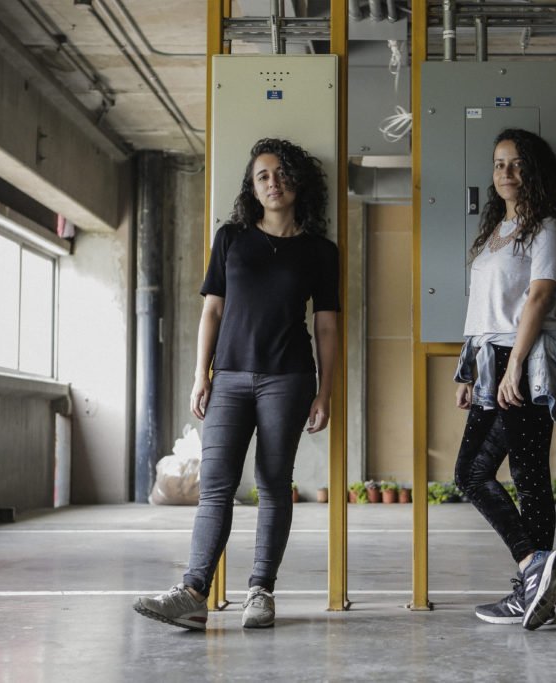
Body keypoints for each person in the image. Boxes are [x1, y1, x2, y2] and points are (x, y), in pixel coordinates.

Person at [134, 138, 339, 630]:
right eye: (262, 176)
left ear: (297, 182)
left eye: (281, 173)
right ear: (252, 187)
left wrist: (325, 391)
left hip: (289, 379)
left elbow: (327, 326)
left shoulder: (319, 251)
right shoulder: (231, 239)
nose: (273, 182)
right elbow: (212, 311)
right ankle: (193, 593)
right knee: (216, 485)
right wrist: (200, 375)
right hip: (227, 378)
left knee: (273, 483)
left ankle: (261, 592)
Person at [453, 128, 556, 630]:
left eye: (516, 164)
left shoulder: (546, 229)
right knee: (487, 474)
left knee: (515, 474)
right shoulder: (495, 233)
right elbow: (482, 308)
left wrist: (514, 366)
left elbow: (539, 297)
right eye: (498, 164)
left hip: (525, 360)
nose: (506, 173)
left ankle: (532, 577)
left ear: (533, 171)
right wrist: (470, 370)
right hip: (492, 361)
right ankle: (536, 580)